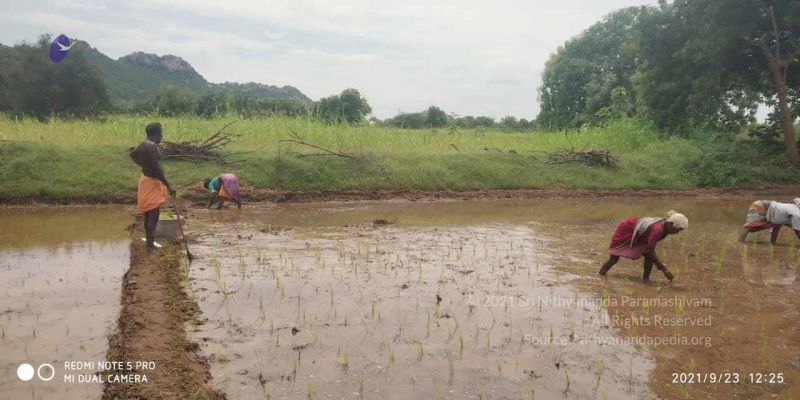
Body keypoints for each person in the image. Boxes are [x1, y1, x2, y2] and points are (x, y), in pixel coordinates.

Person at [599, 210, 688, 283]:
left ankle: (646, 280)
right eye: (677, 229)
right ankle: (602, 274)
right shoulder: (658, 229)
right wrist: (664, 269)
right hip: (627, 229)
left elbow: (649, 251)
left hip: (639, 232)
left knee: (650, 256)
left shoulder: (665, 226)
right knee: (614, 258)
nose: (677, 233)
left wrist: (659, 265)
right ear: (670, 224)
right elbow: (649, 250)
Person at [129, 122, 175, 249]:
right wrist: (168, 185)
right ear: (157, 133)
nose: (162, 135)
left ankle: (149, 243)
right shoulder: (151, 147)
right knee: (153, 215)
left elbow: (132, 154)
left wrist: (144, 165)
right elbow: (157, 169)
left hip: (146, 180)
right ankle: (150, 245)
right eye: (161, 132)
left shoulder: (144, 144)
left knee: (148, 215)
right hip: (152, 182)